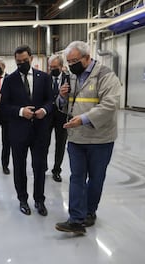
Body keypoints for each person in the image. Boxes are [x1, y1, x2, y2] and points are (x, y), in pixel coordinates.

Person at [55, 41, 121, 234]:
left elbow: (110, 105)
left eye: (74, 60)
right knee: (76, 177)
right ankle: (76, 219)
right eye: (68, 62)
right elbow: (65, 106)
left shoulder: (106, 76)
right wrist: (61, 97)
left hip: (100, 139)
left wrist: (83, 119)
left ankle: (90, 212)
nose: (71, 65)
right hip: (76, 138)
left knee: (95, 178)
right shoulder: (72, 77)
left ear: (87, 57)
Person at [1, 45, 53, 216]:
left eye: (24, 61)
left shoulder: (44, 78)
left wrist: (43, 111)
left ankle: (39, 200)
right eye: (18, 62)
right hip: (18, 131)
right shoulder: (10, 80)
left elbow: (50, 101)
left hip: (40, 131)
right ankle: (22, 199)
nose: (22, 64)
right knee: (19, 167)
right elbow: (4, 106)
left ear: (31, 58)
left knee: (39, 167)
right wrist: (21, 111)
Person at [47, 55, 68, 182]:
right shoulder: (45, 79)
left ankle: (56, 170)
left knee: (60, 144)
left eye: (55, 67)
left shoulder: (69, 79)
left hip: (62, 116)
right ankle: (43, 166)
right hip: (47, 116)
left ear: (61, 66)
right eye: (51, 67)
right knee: (44, 143)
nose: (52, 69)